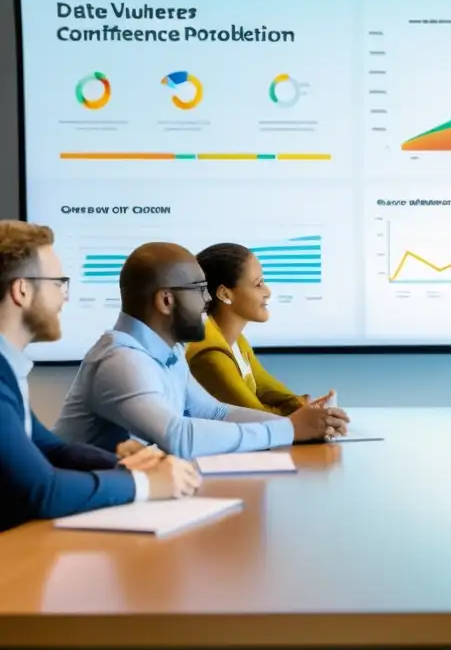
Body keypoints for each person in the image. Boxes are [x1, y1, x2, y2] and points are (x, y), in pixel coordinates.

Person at [53, 242, 349, 459]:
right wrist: (289, 430)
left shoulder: (169, 353)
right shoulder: (122, 360)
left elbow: (214, 412)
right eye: (198, 290)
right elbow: (177, 436)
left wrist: (298, 426)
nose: (207, 299)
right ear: (166, 301)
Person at [0, 222, 200, 532]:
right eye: (58, 283)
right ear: (22, 290)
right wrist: (142, 483)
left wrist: (126, 464)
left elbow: (51, 449)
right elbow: (42, 491)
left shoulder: (8, 369)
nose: (64, 297)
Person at [186, 243, 334, 414]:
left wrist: (307, 407)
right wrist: (308, 417)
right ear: (224, 294)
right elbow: (258, 419)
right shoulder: (209, 354)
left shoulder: (236, 341)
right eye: (258, 284)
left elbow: (271, 393)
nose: (268, 291)